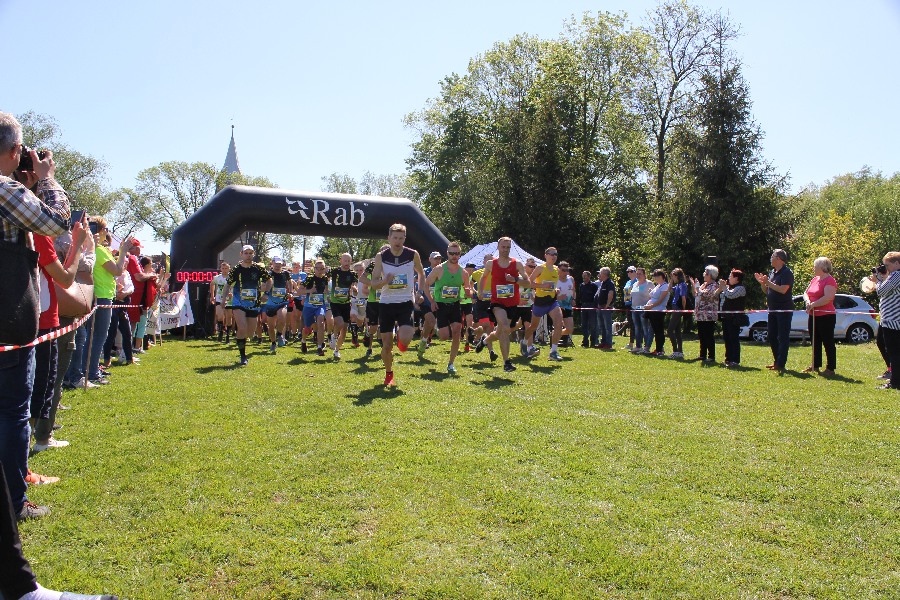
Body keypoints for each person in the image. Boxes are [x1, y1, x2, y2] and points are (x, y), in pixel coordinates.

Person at [0, 111, 71, 521]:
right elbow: (56, 224)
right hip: (7, 318)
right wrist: (47, 180)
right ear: (14, 150)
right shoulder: (4, 189)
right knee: (12, 412)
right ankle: (14, 502)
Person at [370, 224, 426, 386]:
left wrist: (419, 292)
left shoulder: (412, 254)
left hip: (405, 302)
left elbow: (421, 273)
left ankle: (401, 342)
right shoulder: (381, 256)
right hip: (386, 303)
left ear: (404, 239)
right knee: (387, 345)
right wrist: (385, 281)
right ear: (389, 238)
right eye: (395, 238)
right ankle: (389, 374)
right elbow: (374, 283)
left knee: (406, 339)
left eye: (401, 238)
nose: (398, 241)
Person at [78, 218, 132, 385]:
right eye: (106, 229)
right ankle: (91, 372)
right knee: (98, 336)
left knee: (95, 336)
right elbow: (117, 270)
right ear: (101, 231)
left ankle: (91, 368)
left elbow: (118, 270)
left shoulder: (99, 249)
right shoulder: (99, 250)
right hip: (101, 296)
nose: (107, 232)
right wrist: (123, 251)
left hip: (101, 295)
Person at [482, 237, 532, 372]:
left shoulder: (517, 264)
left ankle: (485, 341)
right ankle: (506, 362)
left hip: (512, 304)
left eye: (508, 247)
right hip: (497, 302)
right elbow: (483, 277)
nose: (505, 250)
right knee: (504, 327)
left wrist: (515, 279)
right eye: (503, 247)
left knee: (501, 332)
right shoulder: (491, 264)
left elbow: (528, 283)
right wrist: (480, 291)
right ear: (498, 247)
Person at [423, 242, 472, 374]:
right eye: (451, 253)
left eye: (457, 253)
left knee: (457, 331)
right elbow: (426, 285)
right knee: (444, 336)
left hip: (455, 304)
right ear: (447, 254)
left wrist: (468, 292)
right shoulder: (439, 269)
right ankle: (433, 331)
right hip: (441, 304)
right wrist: (432, 301)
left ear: (460, 255)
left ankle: (451, 363)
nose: (454, 256)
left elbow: (468, 288)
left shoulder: (463, 273)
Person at [225, 245, 271, 366]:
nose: (248, 255)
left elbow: (269, 280)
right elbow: (227, 284)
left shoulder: (258, 268)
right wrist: (223, 299)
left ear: (253, 254)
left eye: (250, 253)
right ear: (241, 254)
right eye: (246, 253)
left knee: (250, 333)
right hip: (238, 302)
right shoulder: (236, 269)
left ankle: (242, 340)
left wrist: (266, 293)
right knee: (242, 327)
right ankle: (243, 356)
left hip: (253, 302)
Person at [755, 249, 794, 373]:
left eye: (772, 256)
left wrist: (768, 282)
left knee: (782, 337)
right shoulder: (772, 272)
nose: (770, 259)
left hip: (784, 310)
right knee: (772, 335)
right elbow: (767, 291)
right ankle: (777, 361)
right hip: (772, 309)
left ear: (779, 259)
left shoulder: (787, 273)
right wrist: (763, 283)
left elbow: (783, 290)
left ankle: (781, 364)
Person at [527, 247, 566, 361]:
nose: (554, 256)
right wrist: (542, 286)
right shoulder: (540, 268)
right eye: (551, 254)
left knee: (559, 323)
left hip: (552, 301)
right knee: (533, 326)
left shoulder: (556, 269)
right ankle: (527, 345)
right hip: (540, 301)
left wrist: (555, 290)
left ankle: (553, 352)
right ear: (546, 255)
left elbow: (553, 285)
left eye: (556, 254)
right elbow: (529, 283)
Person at [803, 257, 838, 376]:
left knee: (828, 341)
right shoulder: (814, 279)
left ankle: (830, 368)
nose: (813, 268)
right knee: (815, 340)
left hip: (826, 315)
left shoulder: (830, 280)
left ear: (822, 267)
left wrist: (813, 304)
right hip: (813, 315)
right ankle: (815, 365)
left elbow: (828, 297)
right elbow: (806, 293)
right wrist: (808, 301)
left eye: (815, 266)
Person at [871, 251, 900, 390]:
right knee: (885, 345)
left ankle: (895, 382)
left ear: (897, 263)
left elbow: (881, 291)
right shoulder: (893, 275)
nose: (885, 268)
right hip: (889, 319)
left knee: (894, 351)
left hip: (893, 320)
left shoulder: (896, 275)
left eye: (887, 265)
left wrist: (878, 280)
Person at [691, 265, 721, 363]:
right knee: (701, 335)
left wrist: (697, 288)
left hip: (708, 315)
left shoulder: (714, 286)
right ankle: (702, 355)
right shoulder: (703, 285)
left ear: (710, 275)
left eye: (706, 273)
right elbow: (696, 294)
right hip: (700, 315)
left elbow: (704, 294)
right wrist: (694, 286)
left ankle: (711, 356)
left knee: (709, 336)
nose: (704, 274)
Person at [300, 259, 330, 356]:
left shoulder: (325, 279)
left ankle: (319, 347)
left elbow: (326, 290)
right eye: (318, 268)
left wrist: (327, 293)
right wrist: (310, 290)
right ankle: (303, 341)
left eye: (322, 268)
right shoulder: (309, 278)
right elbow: (299, 291)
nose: (320, 271)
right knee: (307, 328)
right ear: (314, 268)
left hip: (320, 305)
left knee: (321, 322)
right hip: (309, 306)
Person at [264, 256, 292, 354]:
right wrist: (265, 291)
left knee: (282, 317)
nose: (277, 266)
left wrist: (290, 292)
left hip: (282, 301)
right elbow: (263, 285)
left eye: (279, 264)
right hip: (270, 303)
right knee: (271, 326)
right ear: (272, 263)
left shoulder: (286, 273)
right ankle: (273, 343)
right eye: (276, 264)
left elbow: (290, 283)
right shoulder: (268, 274)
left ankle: (280, 334)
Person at [719, 269, 747, 367]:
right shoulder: (729, 288)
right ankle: (728, 359)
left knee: (733, 338)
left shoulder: (740, 288)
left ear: (736, 278)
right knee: (727, 338)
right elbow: (722, 297)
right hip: (726, 317)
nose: (728, 278)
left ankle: (735, 360)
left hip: (734, 318)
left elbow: (730, 295)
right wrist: (723, 288)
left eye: (730, 276)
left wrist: (724, 287)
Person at [638, 269, 669, 356]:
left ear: (661, 276)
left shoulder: (665, 286)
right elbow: (652, 297)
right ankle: (658, 348)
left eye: (656, 276)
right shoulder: (658, 286)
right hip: (652, 311)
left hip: (658, 311)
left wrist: (650, 306)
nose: (654, 278)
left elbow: (660, 300)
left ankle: (659, 350)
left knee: (659, 331)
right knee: (655, 330)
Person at [629, 268, 653, 354]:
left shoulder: (649, 283)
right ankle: (638, 346)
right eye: (637, 274)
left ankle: (646, 347)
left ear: (644, 275)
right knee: (637, 328)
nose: (638, 275)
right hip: (634, 309)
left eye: (640, 274)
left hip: (644, 309)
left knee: (645, 328)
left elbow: (653, 296)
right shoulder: (635, 284)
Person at [666, 268, 688, 358]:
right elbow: (669, 289)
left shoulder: (683, 285)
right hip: (675, 308)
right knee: (677, 331)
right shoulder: (678, 285)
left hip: (678, 308)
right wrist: (671, 280)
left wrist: (683, 309)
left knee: (670, 330)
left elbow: (683, 298)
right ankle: (680, 351)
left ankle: (675, 351)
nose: (672, 278)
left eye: (673, 276)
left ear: (677, 276)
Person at [556, 261, 576, 348]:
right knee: (558, 325)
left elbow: (573, 291)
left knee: (570, 329)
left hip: (568, 306)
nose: (565, 272)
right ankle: (554, 347)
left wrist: (573, 299)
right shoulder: (555, 280)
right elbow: (549, 294)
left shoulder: (571, 279)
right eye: (563, 270)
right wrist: (558, 298)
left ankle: (554, 334)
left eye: (567, 270)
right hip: (556, 306)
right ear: (558, 270)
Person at [594, 267, 615, 349]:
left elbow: (611, 294)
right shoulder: (602, 283)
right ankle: (603, 342)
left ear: (604, 274)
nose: (599, 275)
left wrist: (607, 305)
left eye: (600, 273)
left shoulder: (610, 283)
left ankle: (608, 343)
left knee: (607, 326)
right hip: (600, 307)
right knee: (602, 326)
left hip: (606, 307)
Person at [577, 270, 598, 348]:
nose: (584, 277)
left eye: (585, 276)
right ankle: (585, 342)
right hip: (583, 305)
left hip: (591, 305)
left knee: (592, 325)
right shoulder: (581, 286)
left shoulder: (593, 286)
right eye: (583, 275)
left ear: (589, 277)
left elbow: (596, 296)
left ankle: (593, 342)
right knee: (584, 325)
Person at [210, 261, 230, 342]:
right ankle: (220, 332)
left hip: (229, 300)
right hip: (219, 299)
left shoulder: (231, 277)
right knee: (220, 316)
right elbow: (212, 284)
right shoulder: (217, 277)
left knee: (228, 318)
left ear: (229, 269)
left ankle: (228, 335)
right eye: (223, 268)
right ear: (220, 269)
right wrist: (212, 296)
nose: (224, 270)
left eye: (226, 268)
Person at [622, 266, 637, 349]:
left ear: (635, 272)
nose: (629, 273)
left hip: (634, 304)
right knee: (631, 324)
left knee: (635, 324)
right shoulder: (628, 282)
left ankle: (635, 343)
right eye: (627, 271)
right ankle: (631, 343)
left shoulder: (637, 281)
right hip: (627, 304)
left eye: (631, 271)